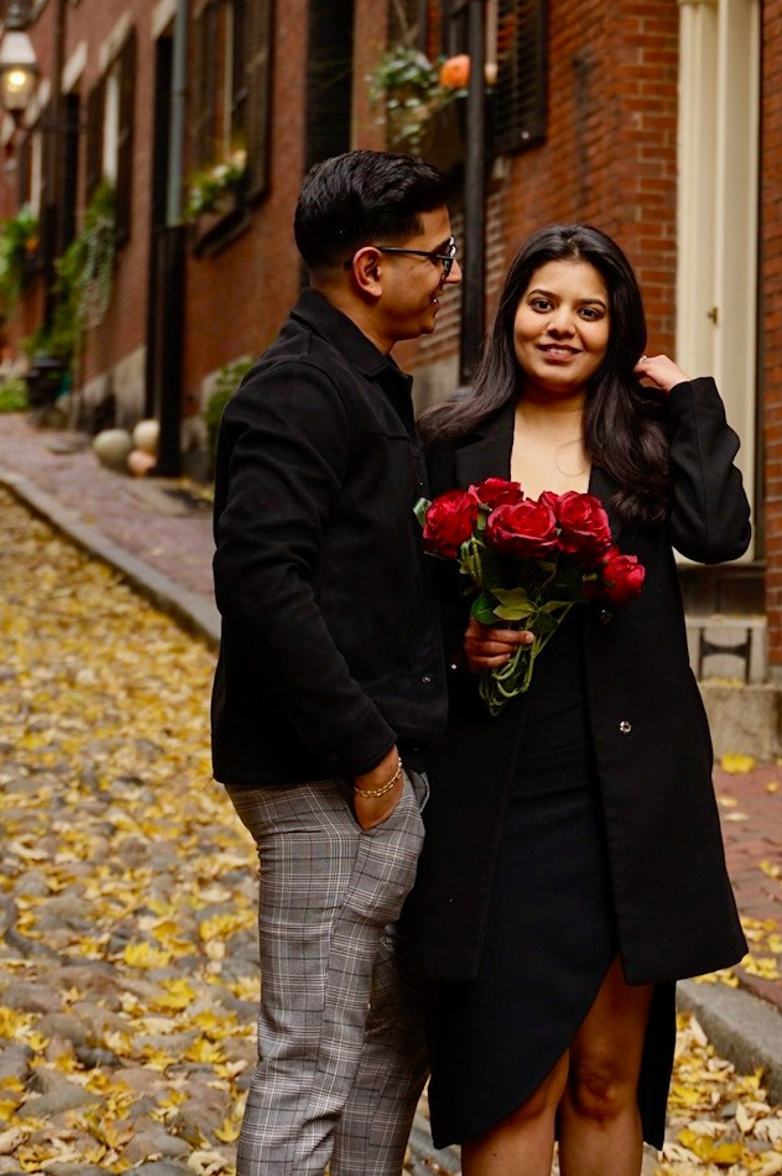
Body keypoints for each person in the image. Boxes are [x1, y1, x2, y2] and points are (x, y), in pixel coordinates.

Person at [404, 223, 752, 1175]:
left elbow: (719, 533)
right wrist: (460, 648)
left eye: (590, 311)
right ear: (511, 314)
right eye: (543, 303)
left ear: (617, 330)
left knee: (605, 1079)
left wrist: (691, 399)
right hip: (500, 803)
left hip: (626, 801)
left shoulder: (645, 443)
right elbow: (401, 612)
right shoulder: (448, 442)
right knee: (512, 1082)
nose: (563, 326)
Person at [211, 150, 461, 1176]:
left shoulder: (362, 383)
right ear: (370, 268)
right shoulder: (298, 389)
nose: (449, 274)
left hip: (366, 774)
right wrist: (369, 760)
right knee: (311, 1062)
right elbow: (260, 583)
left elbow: (359, 578)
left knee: (388, 1048)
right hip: (326, 779)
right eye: (437, 255)